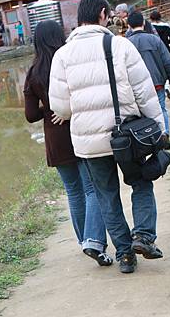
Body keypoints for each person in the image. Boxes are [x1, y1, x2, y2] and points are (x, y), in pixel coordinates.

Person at [49, 0, 165, 274]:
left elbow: (60, 108)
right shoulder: (120, 45)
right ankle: (144, 236)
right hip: (127, 136)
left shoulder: (62, 55)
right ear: (103, 14)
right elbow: (144, 92)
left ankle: (125, 256)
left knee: (107, 196)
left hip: (89, 142)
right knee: (140, 182)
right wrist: (159, 127)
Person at [24, 19, 112, 267]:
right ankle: (93, 239)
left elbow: (30, 115)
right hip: (78, 129)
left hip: (55, 137)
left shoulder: (33, 73)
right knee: (91, 188)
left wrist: (48, 109)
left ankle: (84, 240)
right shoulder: (67, 60)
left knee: (74, 192)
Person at [127, 11, 170, 136]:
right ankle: (165, 134)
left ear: (129, 25)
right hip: (157, 82)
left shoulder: (126, 44)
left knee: (144, 113)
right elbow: (168, 61)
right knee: (161, 108)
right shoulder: (154, 40)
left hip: (137, 86)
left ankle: (151, 138)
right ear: (144, 23)